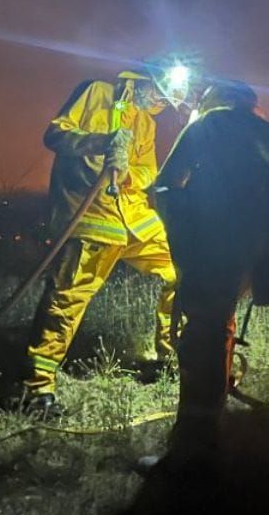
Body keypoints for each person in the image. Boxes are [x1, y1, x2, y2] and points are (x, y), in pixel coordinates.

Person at [153, 81, 269, 451]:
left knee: (204, 332)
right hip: (261, 249)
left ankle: (194, 443)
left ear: (218, 101)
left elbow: (165, 184)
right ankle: (214, 413)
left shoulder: (209, 123)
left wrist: (177, 223)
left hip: (214, 238)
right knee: (221, 323)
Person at [24, 70, 179, 415]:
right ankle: (37, 391)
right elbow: (55, 134)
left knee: (182, 272)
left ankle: (171, 359)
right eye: (159, 93)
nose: (161, 103)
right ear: (145, 78)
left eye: (166, 101)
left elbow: (147, 172)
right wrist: (99, 143)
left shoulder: (146, 123)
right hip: (90, 215)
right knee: (67, 298)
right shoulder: (97, 92)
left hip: (135, 220)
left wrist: (127, 173)